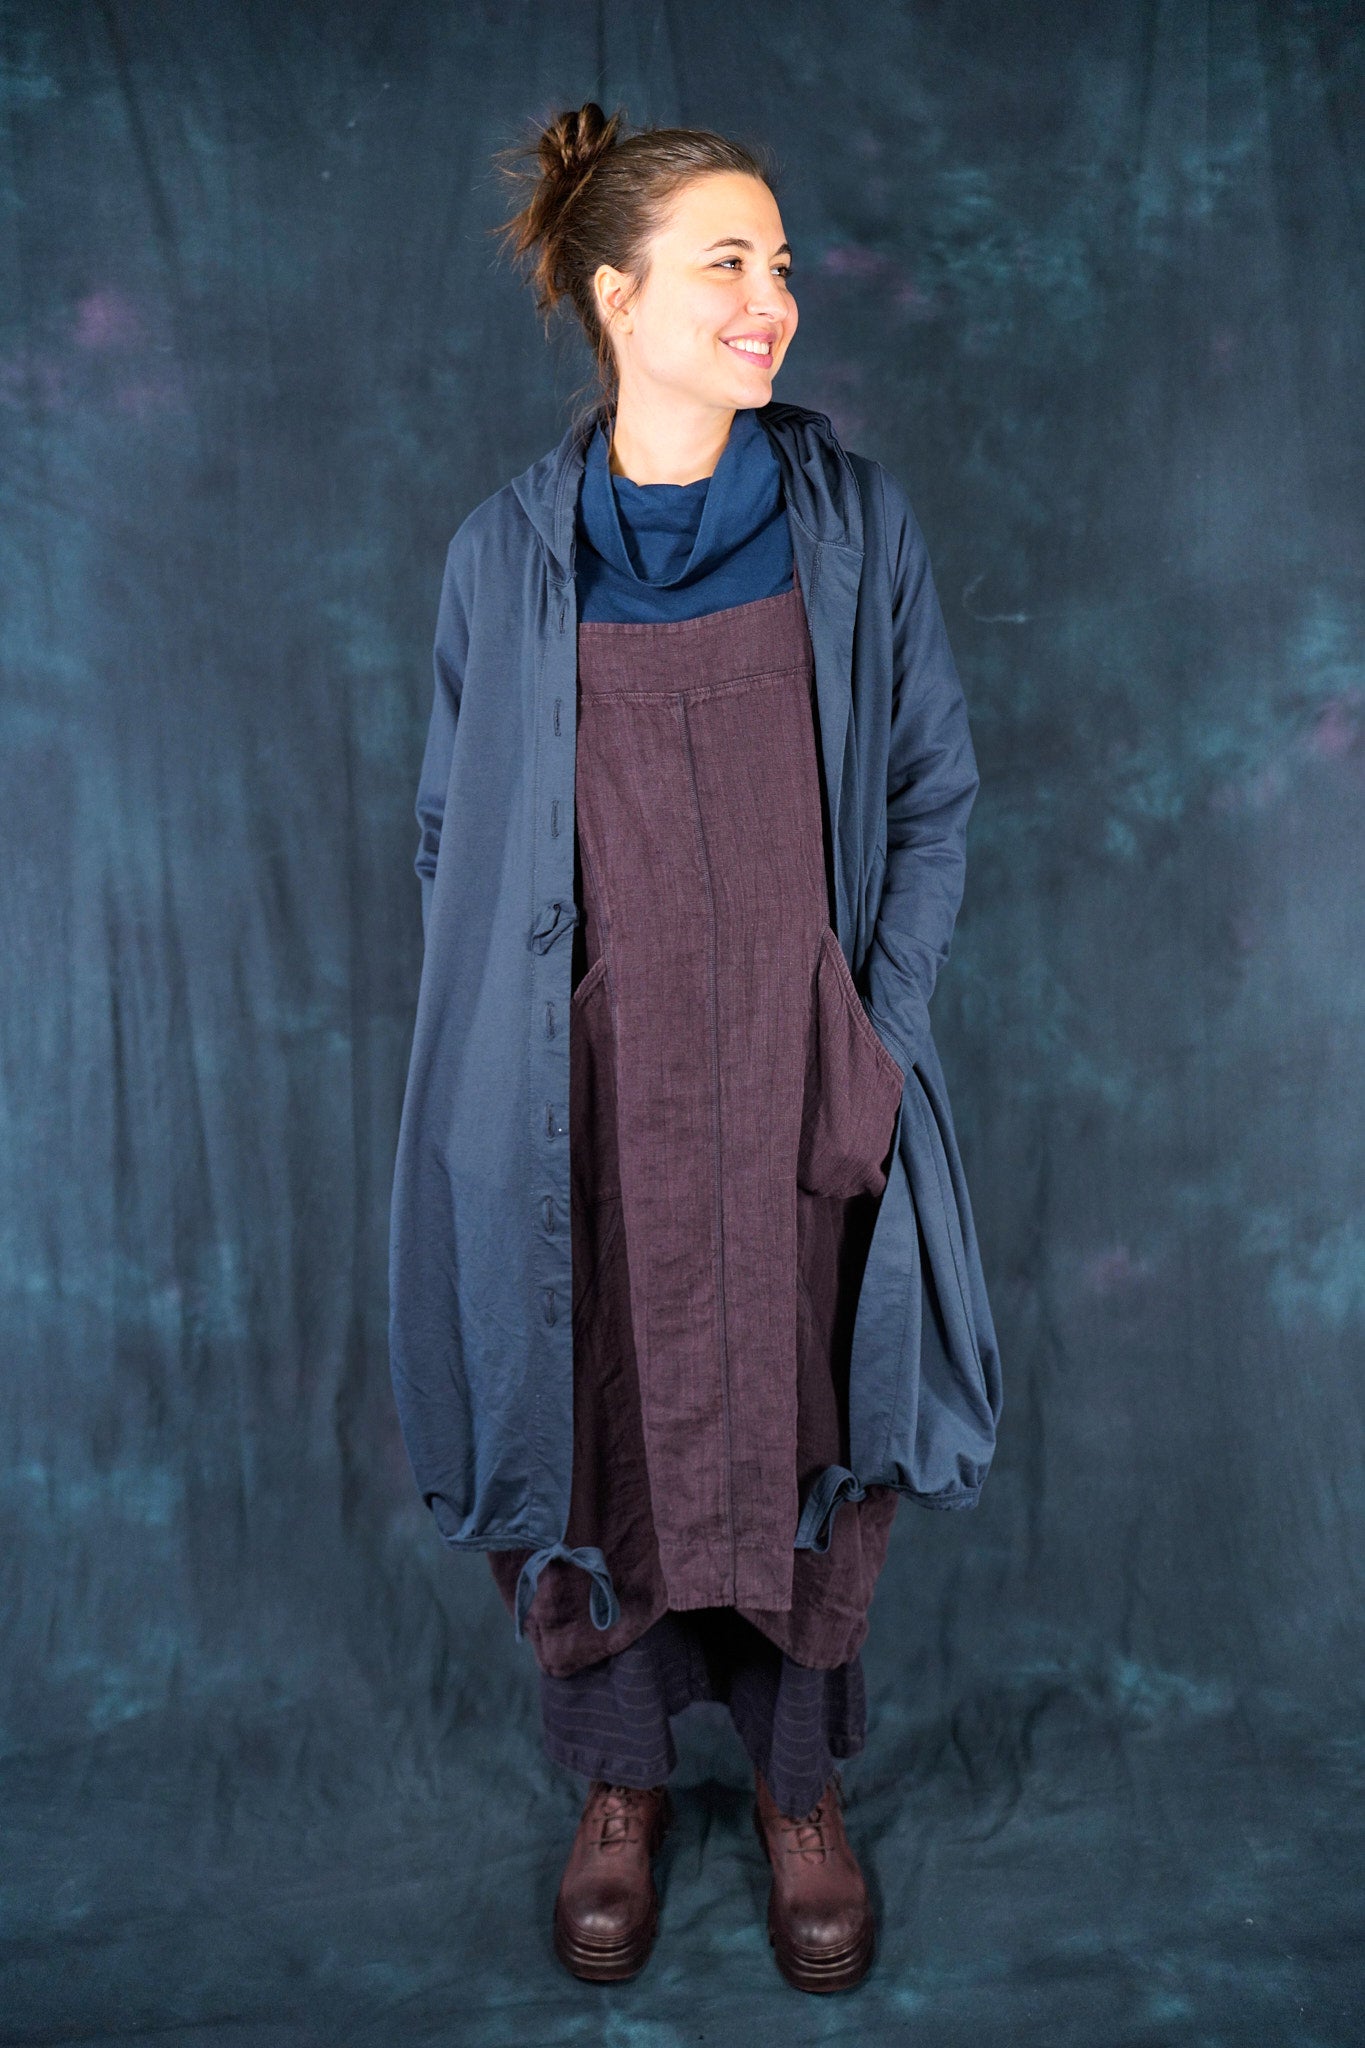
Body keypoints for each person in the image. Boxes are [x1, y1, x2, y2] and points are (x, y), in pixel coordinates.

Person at [388, 101, 1003, 1995]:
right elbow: (449, 830)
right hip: (587, 1088)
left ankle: (802, 1792)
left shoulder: (850, 523)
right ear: (615, 295)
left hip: (805, 1075)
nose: (770, 300)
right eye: (727, 261)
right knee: (601, 1422)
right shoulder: (505, 556)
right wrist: (518, 1057)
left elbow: (929, 795)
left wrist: (872, 1037)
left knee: (810, 1413)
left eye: (781, 264)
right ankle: (622, 1784)